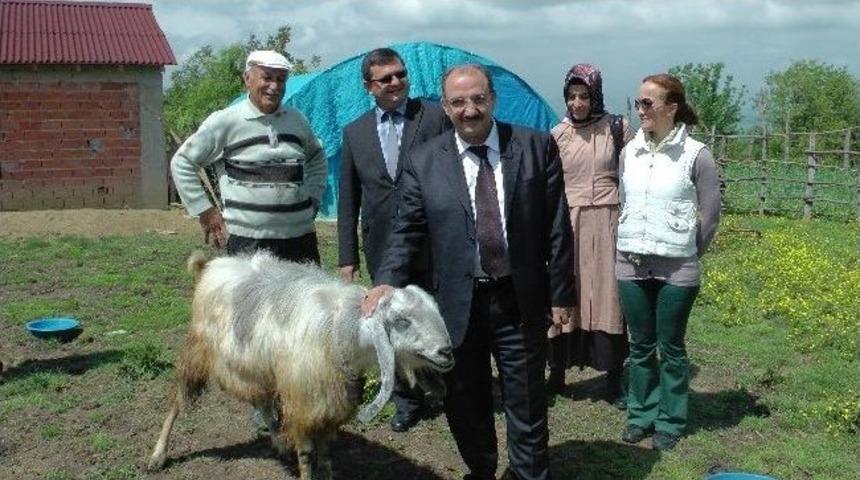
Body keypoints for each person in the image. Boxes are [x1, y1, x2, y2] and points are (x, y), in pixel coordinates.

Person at [363, 64, 575, 480]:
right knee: (464, 399)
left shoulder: (535, 147)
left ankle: (529, 474)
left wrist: (562, 294)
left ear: (493, 99)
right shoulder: (424, 162)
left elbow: (557, 228)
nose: (470, 110)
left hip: (519, 299)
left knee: (527, 398)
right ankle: (481, 468)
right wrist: (386, 278)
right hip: (456, 305)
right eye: (458, 102)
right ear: (446, 107)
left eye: (478, 99)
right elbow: (406, 229)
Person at [338, 48, 449, 433]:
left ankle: (449, 386)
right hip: (382, 247)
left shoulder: (434, 117)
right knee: (391, 322)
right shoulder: (354, 133)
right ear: (369, 86)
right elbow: (349, 198)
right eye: (385, 78)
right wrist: (347, 257)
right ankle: (406, 399)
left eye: (400, 74)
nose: (396, 82)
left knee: (440, 314)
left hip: (436, 241)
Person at [616, 73, 721, 451]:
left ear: (671, 108)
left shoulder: (696, 154)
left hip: (677, 267)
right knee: (640, 345)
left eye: (648, 103)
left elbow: (710, 214)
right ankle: (639, 415)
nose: (640, 109)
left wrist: (690, 250)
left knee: (671, 347)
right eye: (637, 102)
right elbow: (624, 200)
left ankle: (671, 421)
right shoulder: (629, 151)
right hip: (630, 262)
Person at [171, 50, 326, 264]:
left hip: (300, 238)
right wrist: (204, 211)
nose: (274, 86)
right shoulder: (226, 121)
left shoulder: (296, 120)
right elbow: (182, 162)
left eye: (281, 79)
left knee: (301, 297)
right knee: (250, 298)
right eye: (267, 78)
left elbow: (317, 155)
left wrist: (314, 195)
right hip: (248, 240)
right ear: (247, 79)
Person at [546, 64, 633, 408]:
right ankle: (557, 373)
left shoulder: (617, 128)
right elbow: (549, 185)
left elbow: (634, 172)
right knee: (568, 292)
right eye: (572, 96)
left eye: (584, 96)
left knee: (609, 295)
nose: (578, 103)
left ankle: (613, 378)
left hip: (610, 220)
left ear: (595, 94)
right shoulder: (558, 135)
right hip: (568, 223)